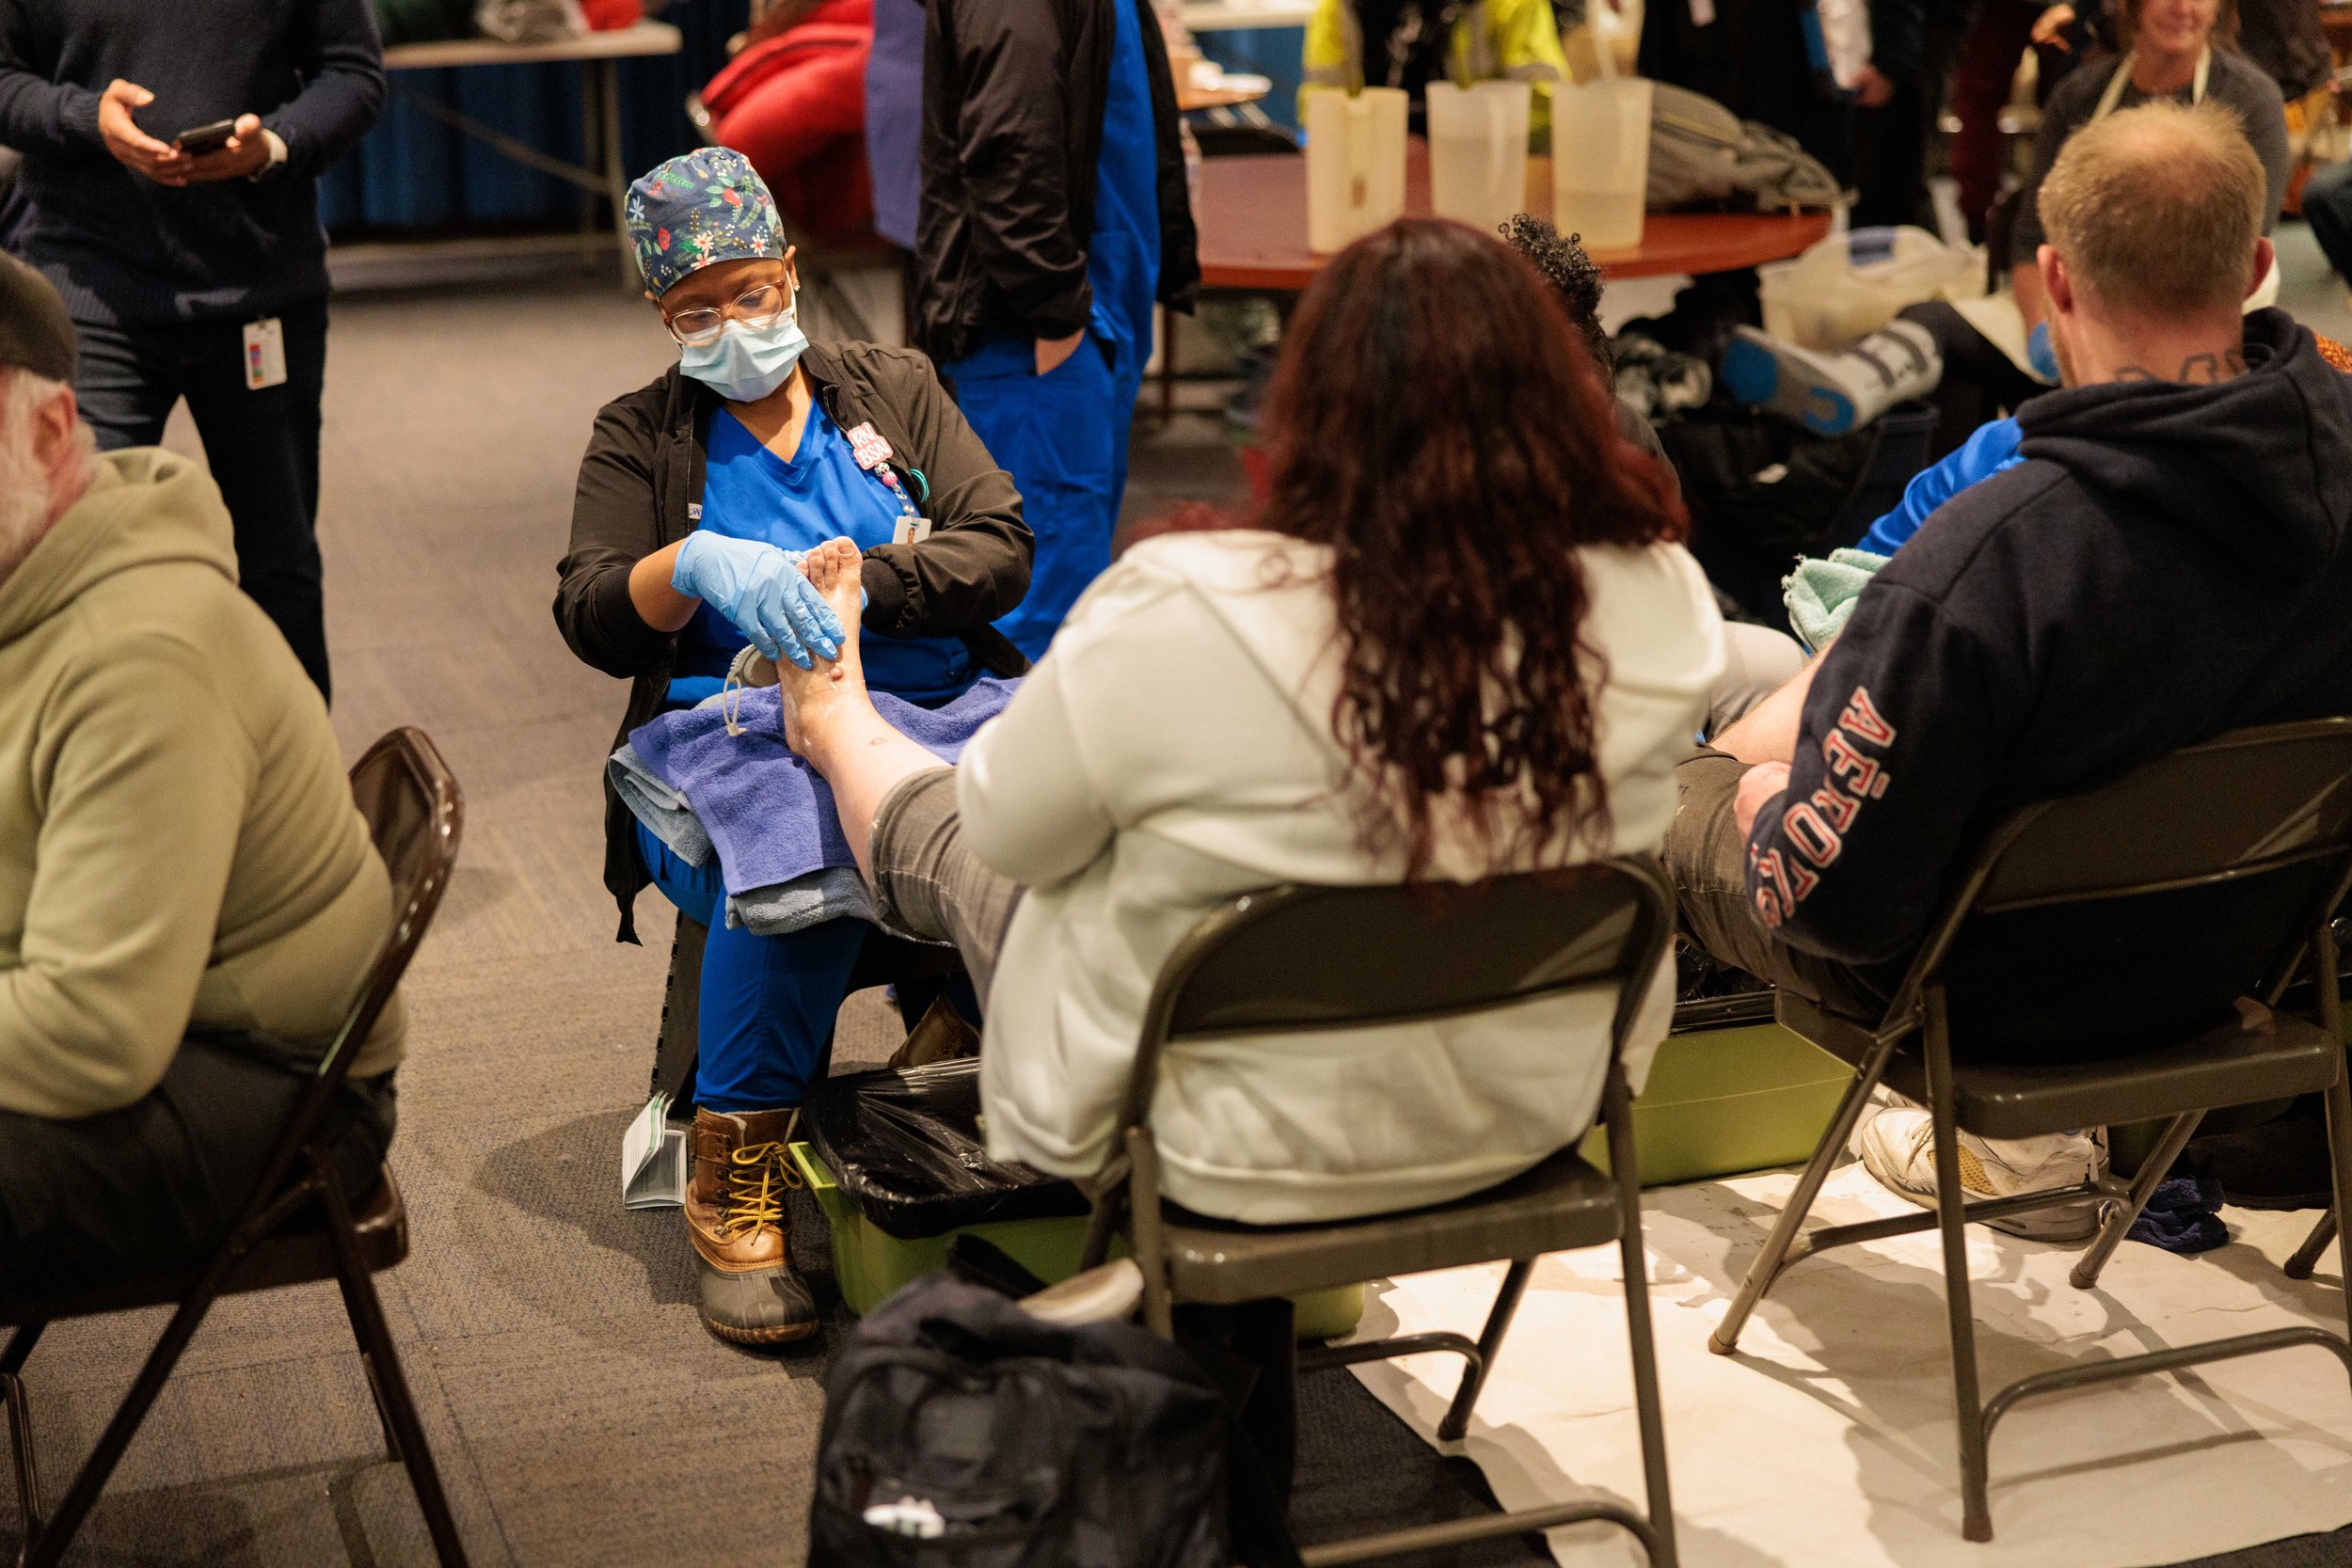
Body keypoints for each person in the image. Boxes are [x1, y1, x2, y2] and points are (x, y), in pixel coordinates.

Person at [760, 216, 1721, 1228]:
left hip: (1213, 1146)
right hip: (1539, 1120)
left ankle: (832, 715)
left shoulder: (1190, 599)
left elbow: (1008, 832)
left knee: (975, 840)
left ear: (1318, 407)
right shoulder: (1663, 599)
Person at [1668, 101, 2352, 1234]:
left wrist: (1751, 796)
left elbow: (1834, 906)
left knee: (1663, 788)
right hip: (2252, 983)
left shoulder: (1992, 561)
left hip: (1993, 1004)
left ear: (2056, 284)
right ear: (2261, 268)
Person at [554, 150, 1031, 1347]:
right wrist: (691, 567)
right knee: (797, 849)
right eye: (695, 310)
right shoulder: (642, 435)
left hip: (938, 695)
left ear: (793, 275)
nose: (732, 324)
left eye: (752, 291)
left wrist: (865, 580)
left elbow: (1000, 545)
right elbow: (591, 610)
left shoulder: (892, 388)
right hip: (743, 725)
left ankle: (997, 1053)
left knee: (1075, 802)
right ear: (666, 320)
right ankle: (734, 1173)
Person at [0, 256, 401, 1295]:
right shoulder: (33, 573)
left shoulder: (141, 653)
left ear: (48, 436)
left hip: (270, 1083)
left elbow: (91, 1036)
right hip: (141, 1008)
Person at [0, 0, 387, 702]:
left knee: (281, 567)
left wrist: (271, 143)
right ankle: (84, 780)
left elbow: (354, 74)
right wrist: (89, 120)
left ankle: (295, 803)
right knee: (75, 559)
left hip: (260, 290)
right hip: (91, 290)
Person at [914, 0, 1200, 660]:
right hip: (1038, 337)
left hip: (1082, 323)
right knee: (1038, 626)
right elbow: (1011, 148)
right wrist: (1055, 311)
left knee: (1072, 597)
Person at [1899, 0, 2287, 456]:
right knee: (1933, 331)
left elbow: (2234, 254)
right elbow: (2029, 239)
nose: (2183, 7)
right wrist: (2044, 333)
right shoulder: (2080, 96)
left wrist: (2107, 346)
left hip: (2184, 340)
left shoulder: (2251, 101)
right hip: (2069, 312)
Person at [1303, 0, 1569, 135]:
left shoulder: (1511, 4)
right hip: (1376, 175)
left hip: (1482, 175)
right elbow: (1320, 110)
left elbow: (1545, 107)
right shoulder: (1340, 8)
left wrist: (1457, 138)